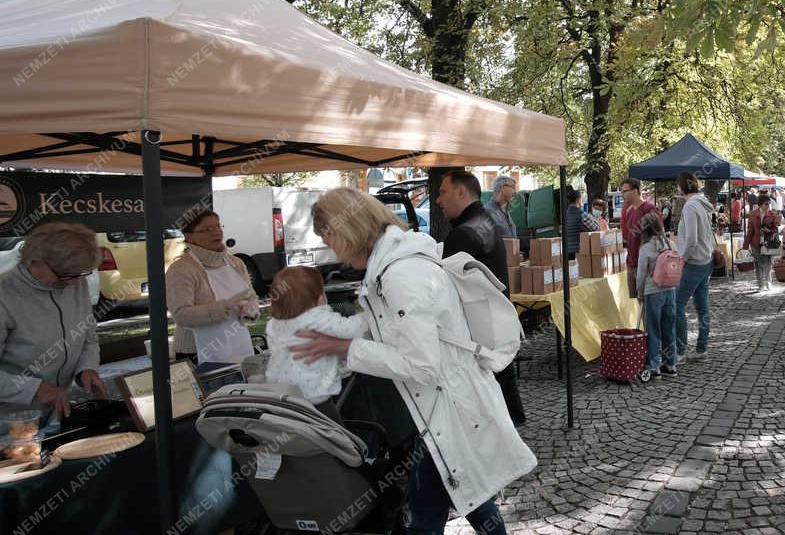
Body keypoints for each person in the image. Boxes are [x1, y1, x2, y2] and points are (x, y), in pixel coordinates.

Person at [293, 187, 535, 534]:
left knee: (431, 511)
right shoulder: (395, 267)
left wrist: (344, 348)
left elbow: (421, 364)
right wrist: (338, 335)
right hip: (442, 412)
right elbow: (389, 327)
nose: (333, 249)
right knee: (465, 498)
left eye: (329, 237)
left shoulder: (400, 275)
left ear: (348, 229)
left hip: (447, 412)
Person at [436, 170, 525, 426]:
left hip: (478, 331)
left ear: (460, 191)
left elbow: (448, 295)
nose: (438, 200)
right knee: (502, 379)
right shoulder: (485, 220)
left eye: (442, 192)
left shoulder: (464, 233)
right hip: (494, 322)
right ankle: (513, 419)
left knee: (493, 393)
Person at [0, 222, 106, 419]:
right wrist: (35, 389)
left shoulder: (75, 282)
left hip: (54, 414)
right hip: (9, 420)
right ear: (35, 261)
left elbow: (87, 334)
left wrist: (87, 367)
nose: (73, 282)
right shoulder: (5, 294)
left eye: (78, 275)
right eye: (65, 274)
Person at [265, 266, 366, 422]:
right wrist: (367, 316)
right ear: (320, 299)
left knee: (301, 440)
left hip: (282, 399)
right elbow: (353, 329)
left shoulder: (273, 324)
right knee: (336, 441)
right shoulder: (316, 318)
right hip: (315, 401)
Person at [167, 210, 260, 363]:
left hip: (238, 344)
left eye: (218, 226)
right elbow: (181, 315)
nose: (216, 233)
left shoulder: (236, 263)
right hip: (195, 352)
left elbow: (251, 296)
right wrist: (225, 307)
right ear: (189, 236)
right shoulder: (181, 269)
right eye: (207, 229)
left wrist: (251, 308)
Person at [674, 172, 716, 360]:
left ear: (682, 187)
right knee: (702, 306)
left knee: (676, 305)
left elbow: (691, 239)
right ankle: (701, 346)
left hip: (693, 262)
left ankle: (680, 350)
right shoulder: (702, 203)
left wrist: (680, 259)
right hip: (705, 260)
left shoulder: (690, 206)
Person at [636, 212, 678, 379]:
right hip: (670, 290)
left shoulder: (645, 248)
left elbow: (640, 275)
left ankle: (654, 366)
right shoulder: (670, 244)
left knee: (653, 329)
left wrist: (639, 293)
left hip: (653, 292)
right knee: (669, 328)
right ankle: (670, 363)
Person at [620, 178, 658, 299]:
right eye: (622, 192)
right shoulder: (629, 210)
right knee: (638, 303)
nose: (623, 195)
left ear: (636, 191)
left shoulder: (648, 208)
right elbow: (627, 236)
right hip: (632, 262)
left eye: (625, 191)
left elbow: (658, 230)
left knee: (647, 305)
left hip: (645, 264)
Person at [742, 194, 780, 292]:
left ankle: (768, 282)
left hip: (769, 242)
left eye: (769, 204)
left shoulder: (772, 214)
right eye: (766, 204)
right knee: (759, 263)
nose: (768, 206)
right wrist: (746, 245)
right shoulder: (753, 214)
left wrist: (770, 231)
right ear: (760, 204)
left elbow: (776, 228)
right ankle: (760, 284)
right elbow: (750, 230)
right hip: (755, 242)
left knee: (768, 262)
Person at [565, 186, 599, 258]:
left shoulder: (565, 215)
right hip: (580, 250)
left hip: (567, 251)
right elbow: (596, 229)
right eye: (581, 199)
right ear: (578, 200)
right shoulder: (582, 214)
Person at [484, 175, 518, 239]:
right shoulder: (487, 211)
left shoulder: (505, 211)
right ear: (502, 188)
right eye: (513, 187)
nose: (515, 192)